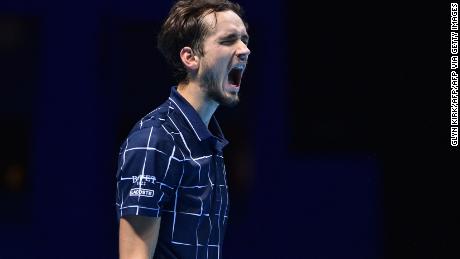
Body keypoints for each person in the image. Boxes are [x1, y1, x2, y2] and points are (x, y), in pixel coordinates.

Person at [115, 0, 250, 258]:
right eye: (228, 40)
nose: (244, 49)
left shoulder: (208, 143)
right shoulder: (154, 140)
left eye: (244, 39)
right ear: (190, 57)